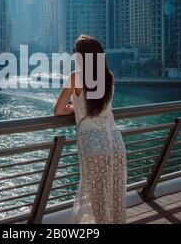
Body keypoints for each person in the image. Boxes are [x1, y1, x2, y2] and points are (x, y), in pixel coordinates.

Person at [54, 35, 127, 224]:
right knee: (116, 199)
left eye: (75, 53)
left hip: (93, 144)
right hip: (116, 143)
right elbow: (100, 107)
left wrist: (75, 108)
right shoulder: (108, 77)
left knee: (98, 202)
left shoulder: (76, 77)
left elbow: (59, 110)